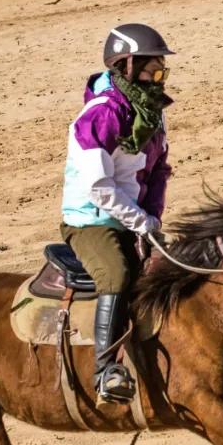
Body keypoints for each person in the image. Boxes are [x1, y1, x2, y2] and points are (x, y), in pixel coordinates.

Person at [59, 23, 174, 405]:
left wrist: (152, 220)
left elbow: (158, 171)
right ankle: (105, 370)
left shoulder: (153, 114)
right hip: (92, 220)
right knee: (119, 273)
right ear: (126, 66)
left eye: (162, 71)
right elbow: (98, 186)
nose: (158, 77)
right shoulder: (100, 115)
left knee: (176, 267)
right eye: (153, 69)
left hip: (133, 217)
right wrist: (141, 222)